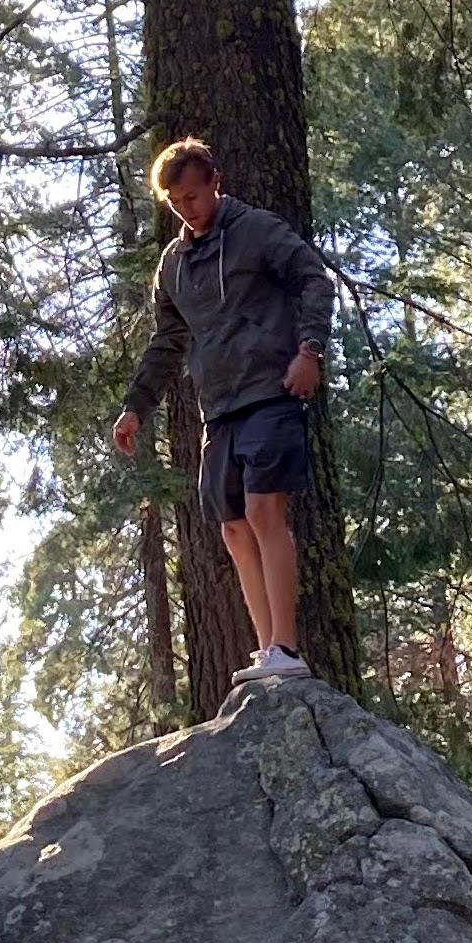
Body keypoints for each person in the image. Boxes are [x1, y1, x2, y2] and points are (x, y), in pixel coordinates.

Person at [114, 137, 331, 684]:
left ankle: (287, 645)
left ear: (215, 181)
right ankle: (267, 651)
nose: (189, 207)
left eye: (194, 194)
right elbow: (167, 340)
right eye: (177, 201)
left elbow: (313, 278)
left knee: (263, 512)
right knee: (234, 527)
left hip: (273, 392)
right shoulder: (174, 264)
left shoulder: (256, 229)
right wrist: (136, 407)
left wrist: (309, 352)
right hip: (220, 407)